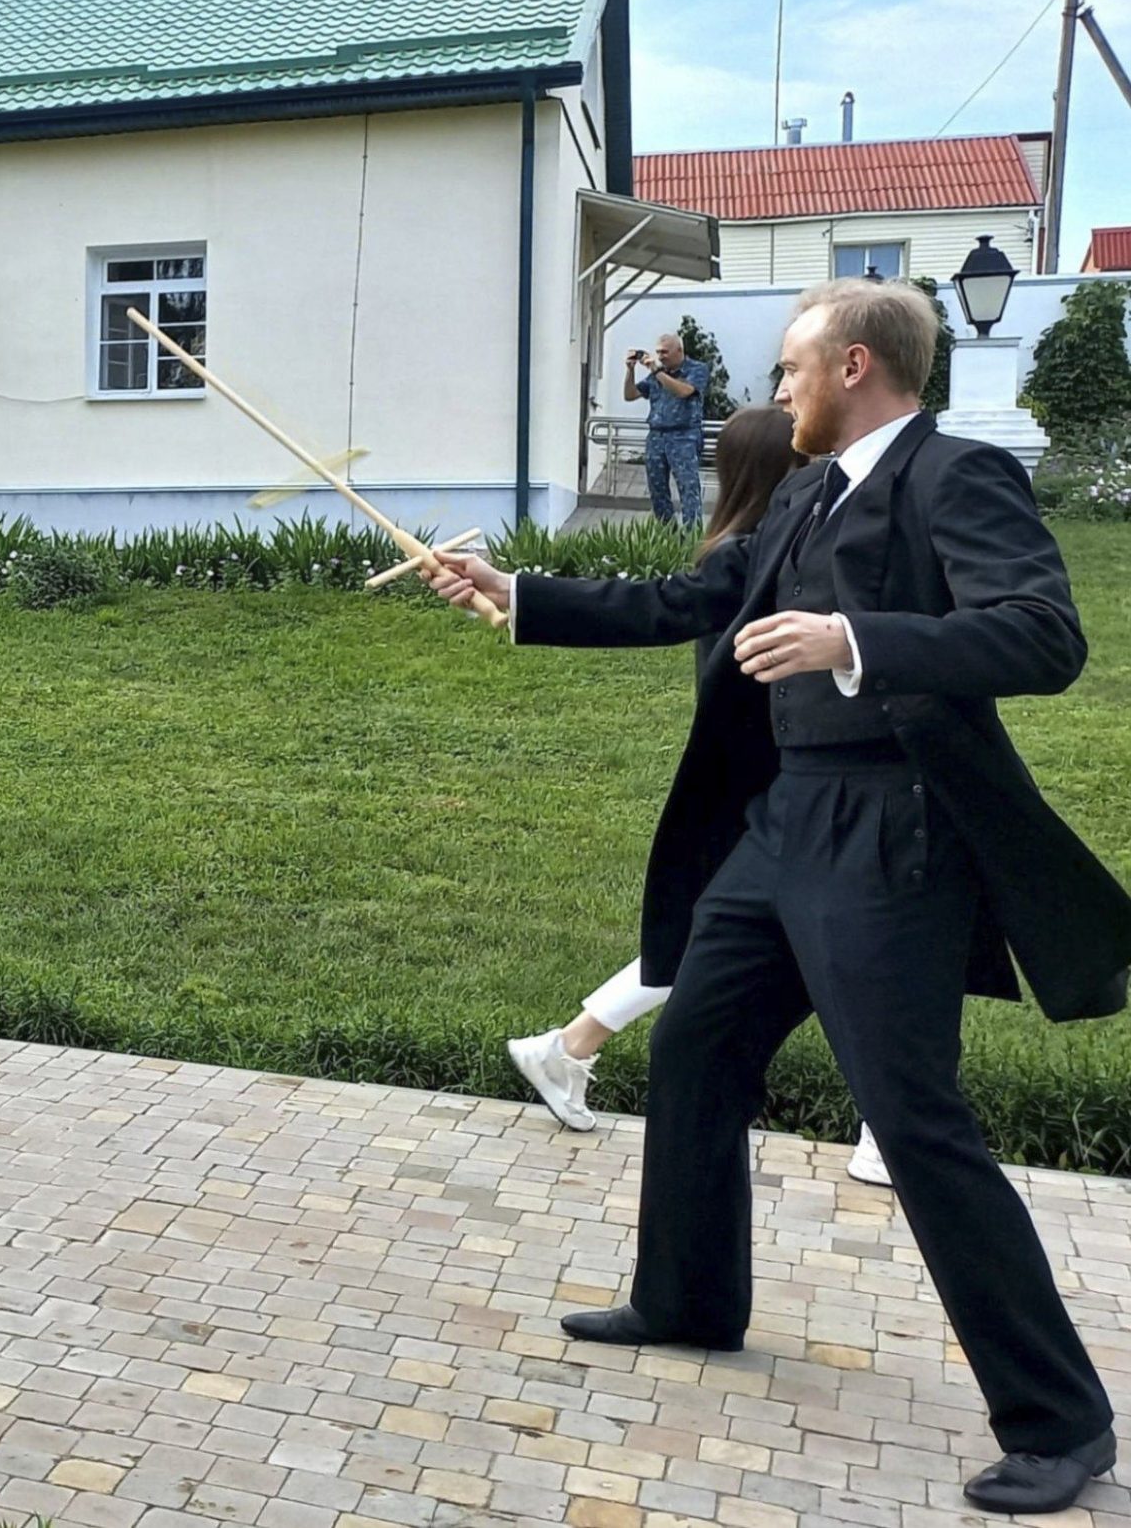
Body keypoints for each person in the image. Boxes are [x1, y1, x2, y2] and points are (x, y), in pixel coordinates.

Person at [431, 278, 1126, 1515]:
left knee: (912, 1119)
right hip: (780, 822)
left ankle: (1059, 1422)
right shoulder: (805, 492)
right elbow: (691, 600)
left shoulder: (955, 477)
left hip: (892, 835)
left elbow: (1040, 635)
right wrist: (516, 592)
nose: (778, 390)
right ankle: (688, 1300)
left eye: (792, 369)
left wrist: (852, 640)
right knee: (696, 1047)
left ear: (854, 366)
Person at [507, 405, 900, 1185]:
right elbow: (654, 606)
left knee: (740, 946)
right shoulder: (755, 557)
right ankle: (885, 1127)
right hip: (777, 795)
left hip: (787, 793)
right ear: (788, 473)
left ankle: (567, 1048)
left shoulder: (754, 547)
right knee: (823, 951)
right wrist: (520, 594)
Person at [627, 331, 709, 527]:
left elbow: (684, 391)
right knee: (657, 490)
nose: (660, 356)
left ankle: (691, 535)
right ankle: (667, 534)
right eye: (658, 352)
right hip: (656, 436)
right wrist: (630, 371)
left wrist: (657, 372)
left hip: (684, 436)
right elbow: (630, 395)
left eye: (665, 352)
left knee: (688, 489)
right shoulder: (657, 374)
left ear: (679, 350)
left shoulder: (696, 369)